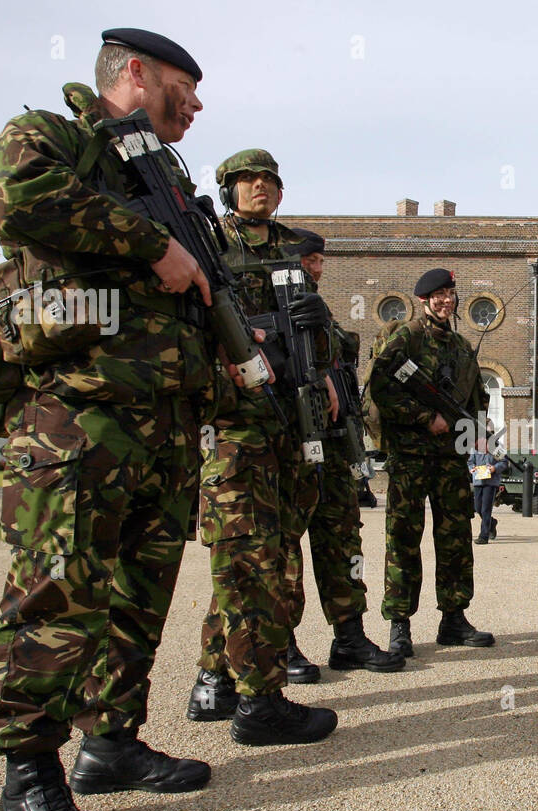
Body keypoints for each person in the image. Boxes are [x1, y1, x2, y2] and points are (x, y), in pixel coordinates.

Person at [0, 28, 223, 811]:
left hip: (164, 426)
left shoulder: (171, 180)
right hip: (78, 420)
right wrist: (151, 243)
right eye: (183, 91)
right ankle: (29, 774)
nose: (195, 107)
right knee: (57, 593)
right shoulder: (52, 138)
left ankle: (113, 741)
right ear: (135, 73)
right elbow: (16, 195)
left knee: (139, 596)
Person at [186, 148, 346, 740]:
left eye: (270, 181)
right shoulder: (210, 244)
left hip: (291, 418)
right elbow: (195, 316)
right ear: (228, 188)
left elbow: (316, 328)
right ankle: (252, 694)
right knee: (245, 557)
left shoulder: (292, 250)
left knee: (269, 555)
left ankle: (215, 680)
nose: (261, 188)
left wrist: (327, 372)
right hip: (236, 421)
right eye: (249, 181)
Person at [368, 268, 495, 656]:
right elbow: (381, 387)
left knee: (455, 538)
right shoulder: (405, 337)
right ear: (424, 299)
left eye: (450, 294)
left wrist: (475, 429)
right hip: (409, 457)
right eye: (438, 295)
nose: (446, 301)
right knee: (403, 538)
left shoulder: (460, 346)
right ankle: (400, 624)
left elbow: (477, 398)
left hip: (449, 459)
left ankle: (454, 618)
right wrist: (426, 418)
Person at [296, 229, 404, 673]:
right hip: (292, 445)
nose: (318, 268)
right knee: (279, 551)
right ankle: (277, 646)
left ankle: (349, 637)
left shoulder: (323, 318)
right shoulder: (271, 315)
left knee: (343, 542)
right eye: (309, 260)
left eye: (321, 260)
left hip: (336, 448)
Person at [468, 446, 508, 543]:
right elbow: (470, 462)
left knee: (486, 509)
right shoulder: (474, 449)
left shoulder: (497, 449)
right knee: (478, 508)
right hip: (478, 481)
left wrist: (495, 468)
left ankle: (484, 536)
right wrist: (471, 469)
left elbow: (504, 462)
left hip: (491, 483)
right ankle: (492, 522)